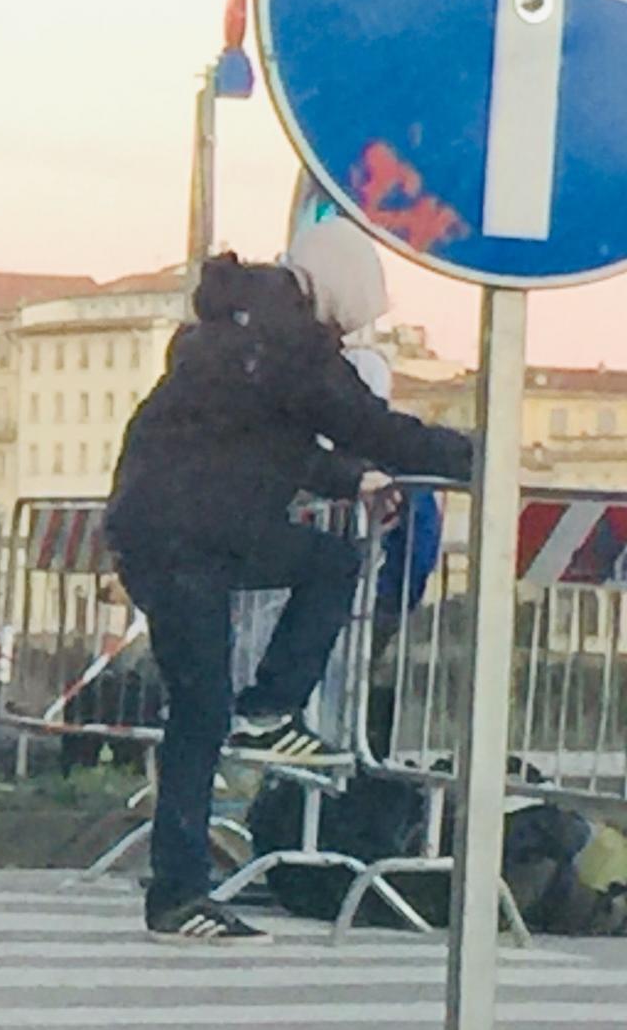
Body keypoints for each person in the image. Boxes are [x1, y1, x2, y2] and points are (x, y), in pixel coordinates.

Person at [104, 218, 473, 944]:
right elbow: (367, 424)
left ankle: (183, 881)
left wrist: (346, 479)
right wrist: (474, 456)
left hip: (164, 528)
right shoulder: (291, 348)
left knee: (201, 705)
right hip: (193, 539)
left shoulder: (238, 336)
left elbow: (260, 445)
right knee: (314, 584)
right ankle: (264, 720)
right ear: (339, 292)